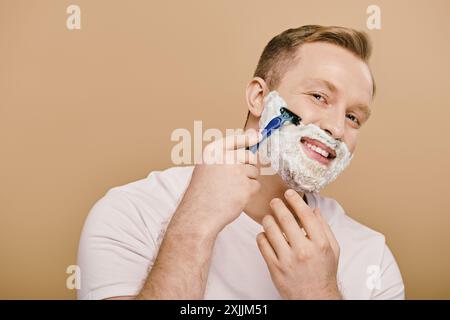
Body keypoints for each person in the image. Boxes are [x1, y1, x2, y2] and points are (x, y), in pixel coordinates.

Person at [77, 25, 405, 300]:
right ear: (259, 98)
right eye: (319, 96)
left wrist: (319, 292)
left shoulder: (372, 258)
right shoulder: (131, 213)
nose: (336, 127)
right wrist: (193, 227)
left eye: (353, 117)